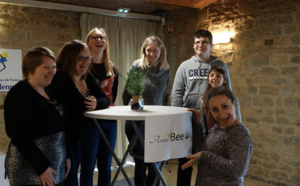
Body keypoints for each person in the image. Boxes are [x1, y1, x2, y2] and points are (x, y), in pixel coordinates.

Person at [170, 29, 232, 186]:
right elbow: (177, 94)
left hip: (213, 121)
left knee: (211, 161)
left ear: (210, 44)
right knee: (185, 162)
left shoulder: (219, 65)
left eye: (204, 42)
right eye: (197, 42)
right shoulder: (185, 66)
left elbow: (228, 93)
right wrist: (178, 117)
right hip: (189, 122)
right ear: (193, 45)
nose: (200, 45)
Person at [4, 47, 69, 186]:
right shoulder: (20, 93)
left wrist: (66, 156)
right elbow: (19, 136)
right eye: (47, 67)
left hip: (55, 165)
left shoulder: (48, 90)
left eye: (54, 67)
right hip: (31, 169)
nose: (52, 72)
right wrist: (42, 168)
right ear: (31, 68)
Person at [49, 40, 110, 186]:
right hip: (66, 137)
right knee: (70, 177)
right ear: (69, 58)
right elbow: (79, 105)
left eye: (88, 58)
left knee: (88, 172)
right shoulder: (61, 77)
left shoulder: (87, 76)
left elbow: (105, 99)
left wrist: (96, 103)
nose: (85, 62)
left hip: (85, 132)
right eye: (80, 58)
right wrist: (92, 104)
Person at [122, 36, 170, 186]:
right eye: (148, 50)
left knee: (155, 161)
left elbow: (163, 97)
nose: (152, 53)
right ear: (144, 51)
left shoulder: (166, 71)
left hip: (156, 122)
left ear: (161, 51)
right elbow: (126, 93)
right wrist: (130, 112)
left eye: (155, 50)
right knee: (141, 159)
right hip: (136, 121)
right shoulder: (137, 66)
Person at [182, 86, 253, 186]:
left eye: (225, 106)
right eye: (215, 109)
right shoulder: (218, 127)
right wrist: (197, 125)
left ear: (234, 104)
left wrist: (205, 156)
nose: (221, 114)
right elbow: (202, 150)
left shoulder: (238, 133)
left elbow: (237, 170)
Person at [85, 27, 118, 186]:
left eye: (102, 38)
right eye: (95, 38)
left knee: (106, 165)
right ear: (88, 42)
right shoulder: (83, 67)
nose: (99, 41)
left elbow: (113, 97)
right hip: (89, 122)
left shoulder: (113, 70)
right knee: (88, 165)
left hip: (109, 122)